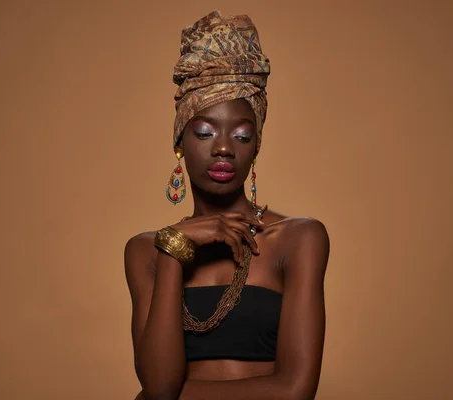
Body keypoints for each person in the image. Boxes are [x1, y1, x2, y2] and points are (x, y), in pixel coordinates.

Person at [125, 10, 330, 400]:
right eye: (204, 132)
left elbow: (294, 391)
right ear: (180, 142)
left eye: (242, 135)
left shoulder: (298, 239)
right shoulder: (146, 251)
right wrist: (174, 248)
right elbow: (157, 382)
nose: (222, 148)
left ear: (256, 147)